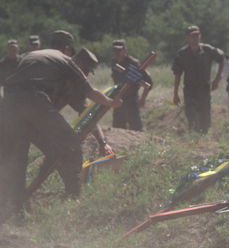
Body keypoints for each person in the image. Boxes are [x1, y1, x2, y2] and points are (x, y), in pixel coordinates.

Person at [0, 31, 122, 218]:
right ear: (68, 50)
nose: (86, 73)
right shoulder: (66, 61)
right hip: (32, 99)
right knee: (71, 143)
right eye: (86, 70)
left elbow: (87, 114)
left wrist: (101, 140)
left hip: (8, 104)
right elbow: (91, 92)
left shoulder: (37, 58)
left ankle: (15, 209)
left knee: (17, 158)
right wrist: (110, 102)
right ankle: (73, 196)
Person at [171, 25, 224, 134]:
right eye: (192, 36)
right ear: (187, 38)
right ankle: (194, 137)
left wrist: (217, 79)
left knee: (205, 116)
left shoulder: (208, 50)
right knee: (191, 115)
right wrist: (175, 93)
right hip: (189, 89)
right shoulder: (182, 54)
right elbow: (177, 74)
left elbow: (221, 59)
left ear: (200, 36)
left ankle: (203, 138)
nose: (195, 38)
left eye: (197, 35)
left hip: (204, 89)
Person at [110, 39, 153, 131]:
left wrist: (143, 99)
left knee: (136, 128)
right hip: (118, 99)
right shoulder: (113, 62)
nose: (117, 52)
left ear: (125, 50)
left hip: (131, 99)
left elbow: (148, 83)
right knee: (118, 128)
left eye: (119, 50)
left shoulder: (133, 63)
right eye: (115, 50)